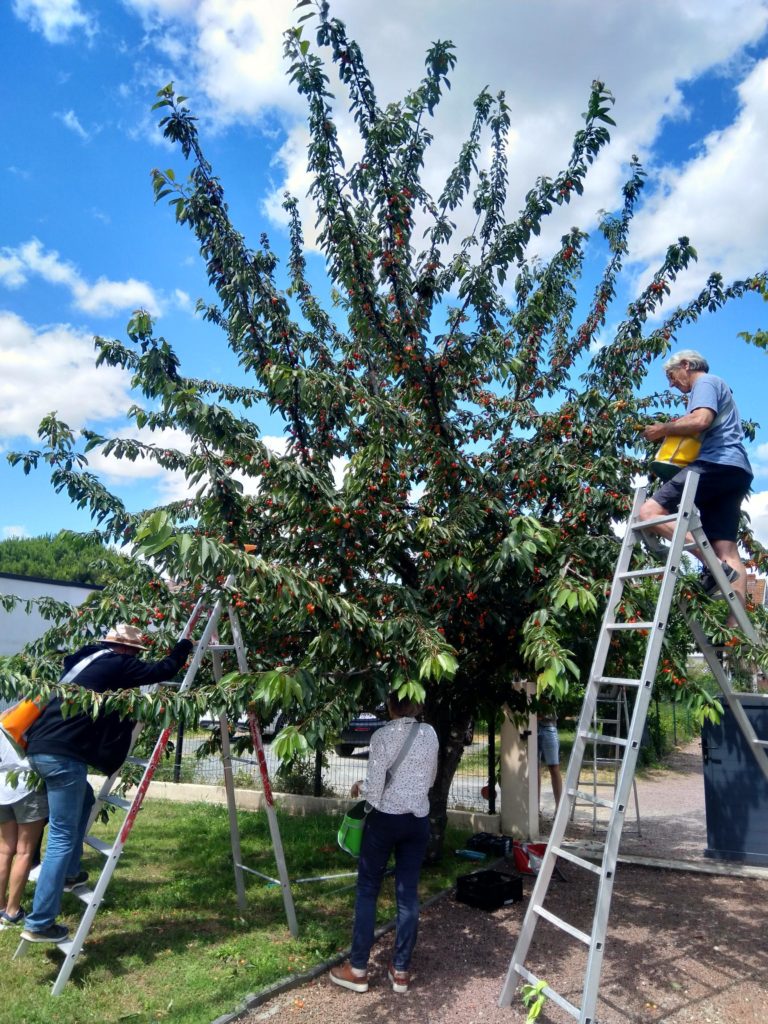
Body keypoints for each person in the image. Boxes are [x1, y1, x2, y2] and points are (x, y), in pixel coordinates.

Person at [19, 623, 192, 944]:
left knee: (83, 797)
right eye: (134, 652)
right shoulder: (118, 662)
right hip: (63, 756)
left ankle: (70, 874)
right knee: (60, 836)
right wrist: (184, 646)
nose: (133, 657)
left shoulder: (81, 659)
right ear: (127, 649)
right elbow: (162, 670)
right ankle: (40, 921)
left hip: (39, 747)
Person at [330, 691, 439, 995]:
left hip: (385, 820)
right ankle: (401, 970)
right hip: (417, 820)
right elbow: (429, 780)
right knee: (407, 895)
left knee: (367, 890)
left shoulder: (381, 737)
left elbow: (375, 791)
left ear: (391, 706)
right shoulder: (430, 734)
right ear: (417, 703)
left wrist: (359, 786)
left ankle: (358, 969)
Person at [638, 350, 753, 620]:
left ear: (687, 366)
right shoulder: (715, 387)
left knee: (648, 513)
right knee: (727, 550)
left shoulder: (705, 383)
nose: (671, 383)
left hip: (715, 463)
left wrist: (662, 429)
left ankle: (712, 566)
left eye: (671, 376)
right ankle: (736, 631)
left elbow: (701, 420)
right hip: (736, 470)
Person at [0, 730, 49, 928]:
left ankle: (1, 906)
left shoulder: (4, 717)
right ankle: (12, 911)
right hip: (28, 785)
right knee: (25, 851)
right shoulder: (34, 718)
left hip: (3, 786)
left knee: (4, 850)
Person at [537, 709, 562, 814]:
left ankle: (559, 809)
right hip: (531, 727)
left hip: (549, 727)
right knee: (534, 768)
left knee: (554, 767)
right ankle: (535, 808)